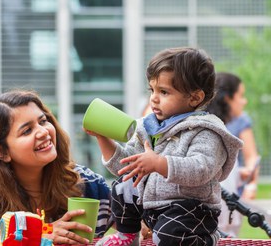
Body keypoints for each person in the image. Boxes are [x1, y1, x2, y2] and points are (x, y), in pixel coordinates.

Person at [86, 47, 243, 246]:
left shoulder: (206, 132)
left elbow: (200, 169)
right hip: (151, 207)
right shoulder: (148, 127)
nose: (154, 98)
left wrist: (158, 163)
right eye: (152, 90)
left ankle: (207, 238)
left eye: (164, 91)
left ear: (195, 98)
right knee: (123, 185)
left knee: (169, 235)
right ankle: (127, 236)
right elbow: (125, 166)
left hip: (191, 212)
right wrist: (103, 137)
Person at [0, 89, 111, 246]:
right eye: (27, 130)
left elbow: (130, 228)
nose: (43, 132)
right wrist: (41, 236)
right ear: (1, 152)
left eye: (43, 121)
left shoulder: (89, 184)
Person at [206, 72, 261, 237]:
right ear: (228, 98)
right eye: (241, 96)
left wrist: (244, 178)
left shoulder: (241, 120)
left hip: (226, 206)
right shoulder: (211, 130)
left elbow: (251, 156)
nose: (244, 101)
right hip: (217, 211)